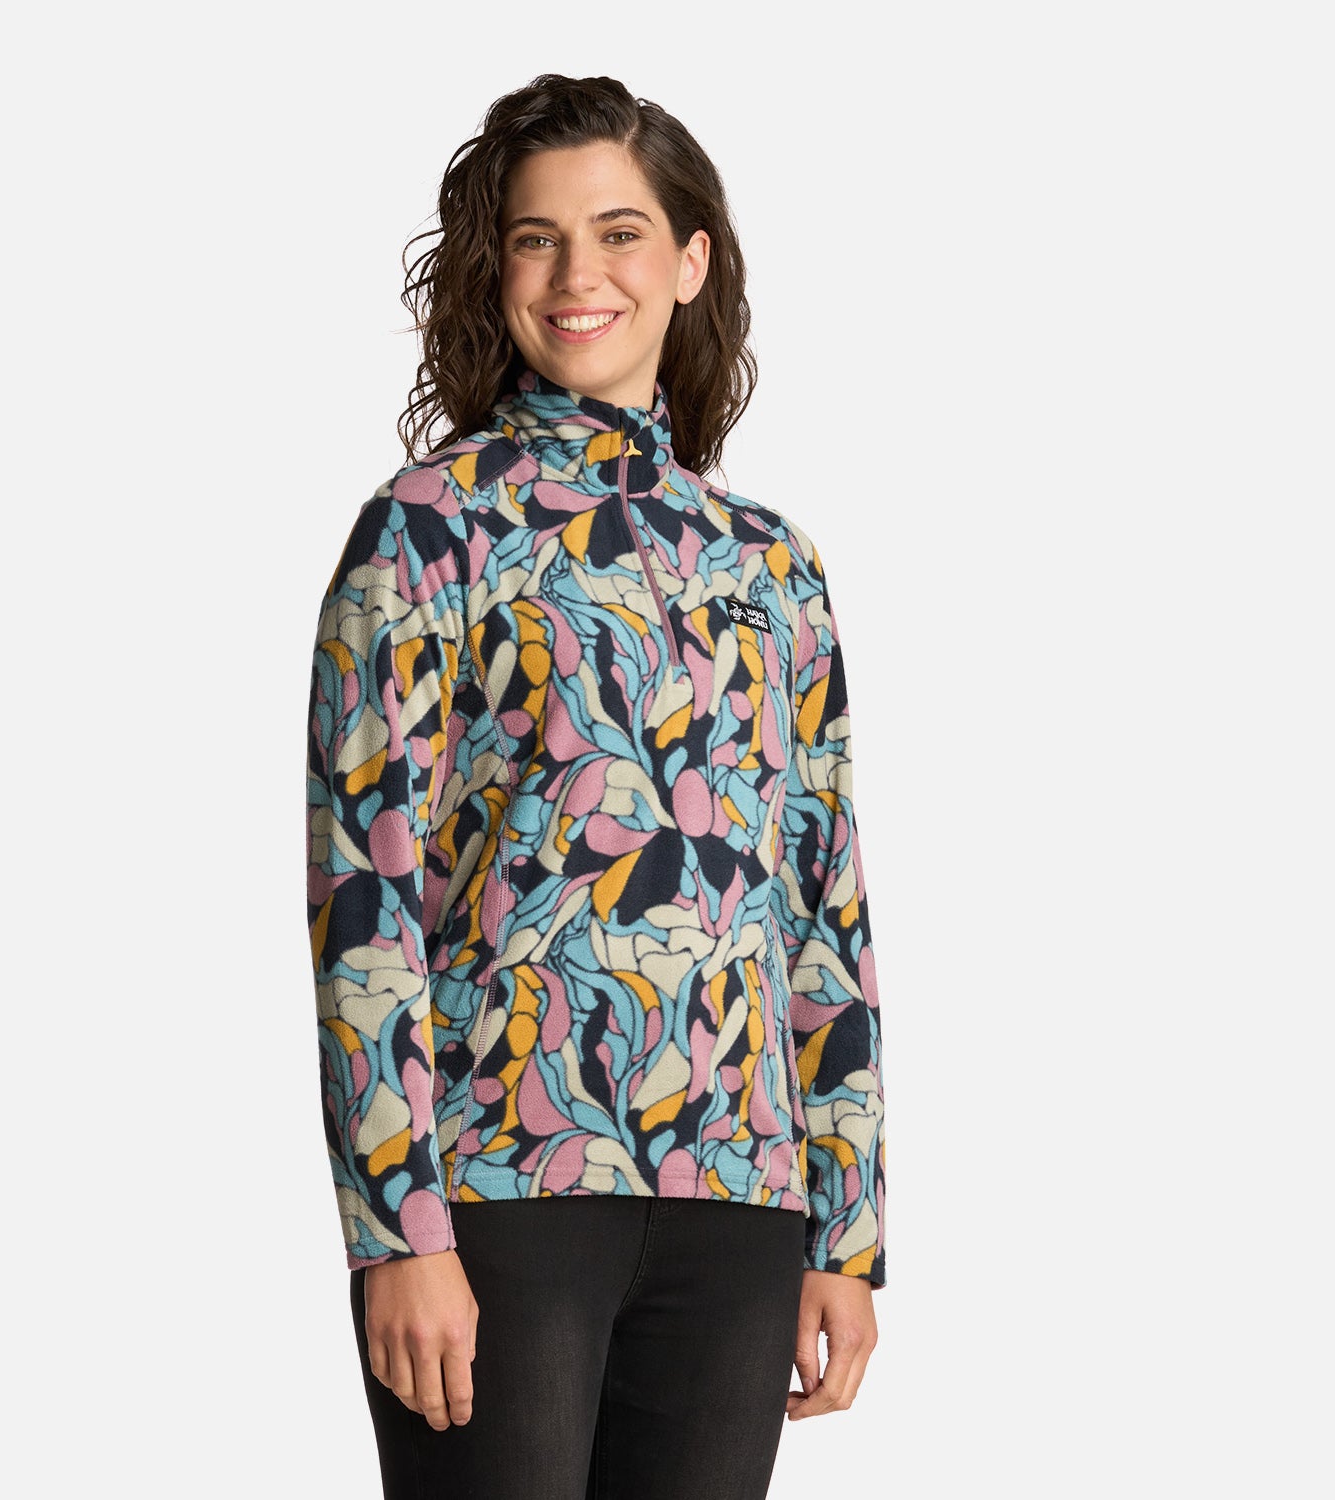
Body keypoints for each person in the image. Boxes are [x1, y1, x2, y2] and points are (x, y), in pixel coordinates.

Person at [305, 73, 886, 1500]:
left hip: (742, 1196)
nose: (579, 276)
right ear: (494, 270)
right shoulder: (430, 529)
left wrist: (848, 1232)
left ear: (690, 263)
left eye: (620, 233)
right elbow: (363, 894)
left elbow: (822, 902)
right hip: (500, 1191)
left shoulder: (772, 562)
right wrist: (398, 1232)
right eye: (536, 238)